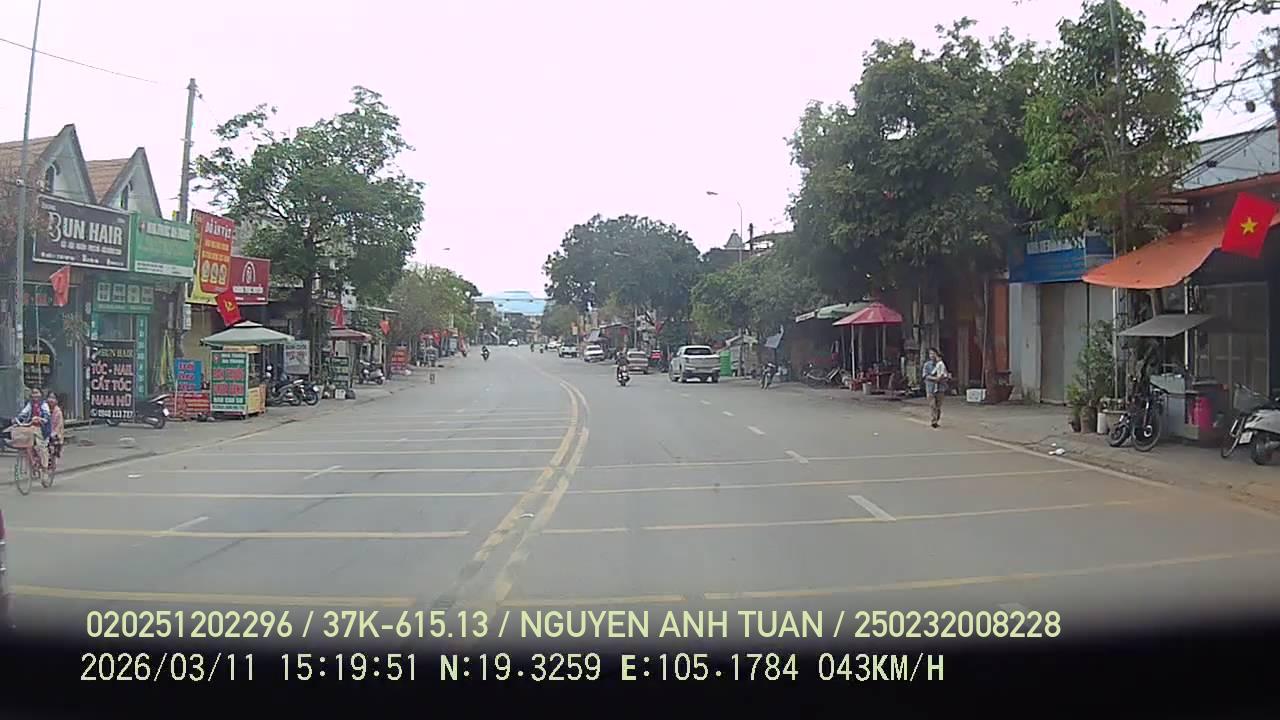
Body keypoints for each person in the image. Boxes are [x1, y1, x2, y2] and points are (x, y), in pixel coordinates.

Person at [16, 387, 52, 473]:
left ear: (41, 394)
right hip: (31, 427)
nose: (35, 395)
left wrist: (41, 419)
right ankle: (33, 463)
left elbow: (47, 415)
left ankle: (45, 467)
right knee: (27, 444)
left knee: (41, 447)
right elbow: (24, 413)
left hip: (42, 428)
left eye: (37, 393)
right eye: (33, 393)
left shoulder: (44, 405)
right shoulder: (30, 404)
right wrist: (17, 419)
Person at [922, 348, 950, 428]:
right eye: (930, 354)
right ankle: (933, 421)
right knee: (932, 405)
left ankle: (936, 419)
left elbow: (946, 374)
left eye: (933, 353)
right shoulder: (927, 365)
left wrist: (943, 378)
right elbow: (925, 376)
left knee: (938, 406)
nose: (932, 355)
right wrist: (934, 378)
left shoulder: (941, 364)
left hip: (940, 388)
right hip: (930, 388)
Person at [47, 391, 65, 468]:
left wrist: (54, 433)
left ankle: (52, 460)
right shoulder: (45, 409)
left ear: (57, 401)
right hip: (46, 432)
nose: (51, 400)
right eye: (49, 397)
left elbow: (59, 425)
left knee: (53, 443)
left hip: (56, 434)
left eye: (53, 398)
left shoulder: (58, 412)